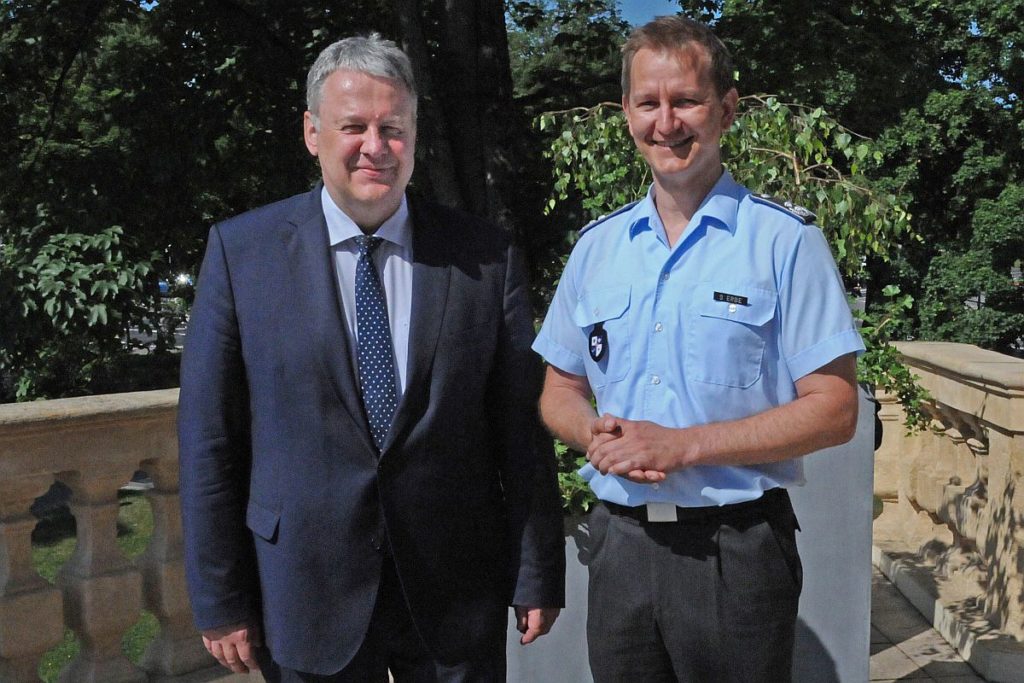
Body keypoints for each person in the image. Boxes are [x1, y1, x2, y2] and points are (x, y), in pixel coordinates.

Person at [178, 34, 564, 682]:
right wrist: (219, 596)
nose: (375, 146)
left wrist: (536, 569)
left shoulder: (484, 258)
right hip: (303, 591)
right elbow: (209, 439)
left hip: (451, 593)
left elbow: (519, 432)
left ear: (415, 135)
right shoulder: (241, 256)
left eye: (393, 127)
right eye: (353, 126)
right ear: (312, 131)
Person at [532, 16, 864, 682]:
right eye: (648, 103)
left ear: (726, 109)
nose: (666, 122)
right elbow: (557, 389)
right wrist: (592, 433)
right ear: (627, 112)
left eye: (685, 101)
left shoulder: (784, 242)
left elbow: (834, 408)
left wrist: (683, 445)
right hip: (621, 547)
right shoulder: (597, 249)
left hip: (735, 549)